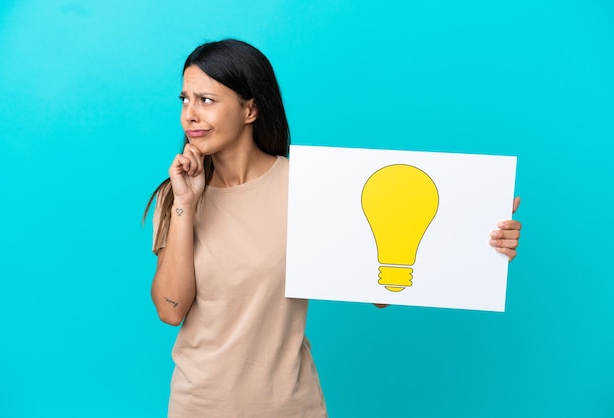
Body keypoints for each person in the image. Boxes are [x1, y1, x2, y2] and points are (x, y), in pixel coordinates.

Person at [144, 39, 522, 417]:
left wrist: (479, 237)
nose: (189, 115)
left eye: (206, 100)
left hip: (292, 407)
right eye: (184, 99)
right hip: (198, 407)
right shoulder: (176, 195)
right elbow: (171, 309)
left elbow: (381, 291)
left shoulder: (310, 189)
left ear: (251, 109)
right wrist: (185, 205)